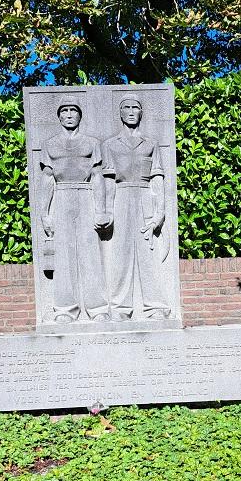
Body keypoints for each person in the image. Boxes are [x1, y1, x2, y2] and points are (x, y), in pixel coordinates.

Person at [40, 96, 112, 323]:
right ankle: (64, 310)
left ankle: (98, 309)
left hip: (85, 195)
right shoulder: (50, 144)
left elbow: (97, 176)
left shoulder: (91, 143)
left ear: (80, 115)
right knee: (63, 255)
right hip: (61, 196)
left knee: (90, 254)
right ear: (59, 115)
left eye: (73, 110)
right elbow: (47, 179)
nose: (69, 114)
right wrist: (45, 213)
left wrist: (100, 209)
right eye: (65, 110)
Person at [101, 94, 171, 321]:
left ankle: (155, 307)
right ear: (120, 113)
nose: (131, 111)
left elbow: (157, 177)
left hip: (144, 198)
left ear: (141, 113)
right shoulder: (109, 144)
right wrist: (108, 210)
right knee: (120, 253)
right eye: (127, 108)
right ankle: (120, 308)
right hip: (120, 198)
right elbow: (109, 179)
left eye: (135, 108)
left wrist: (159, 212)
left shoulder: (150, 144)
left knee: (148, 253)